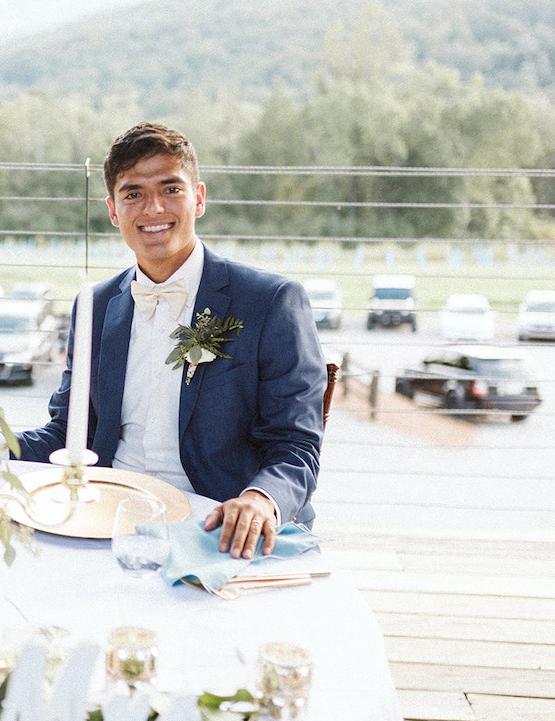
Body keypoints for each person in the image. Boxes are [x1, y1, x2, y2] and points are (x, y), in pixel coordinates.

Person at [16, 122, 325, 560]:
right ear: (112, 209)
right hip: (105, 515)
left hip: (215, 523)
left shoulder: (270, 301)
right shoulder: (95, 305)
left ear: (199, 198)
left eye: (170, 188)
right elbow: (69, 433)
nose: (152, 207)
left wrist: (260, 499)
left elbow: (295, 445)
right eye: (133, 193)